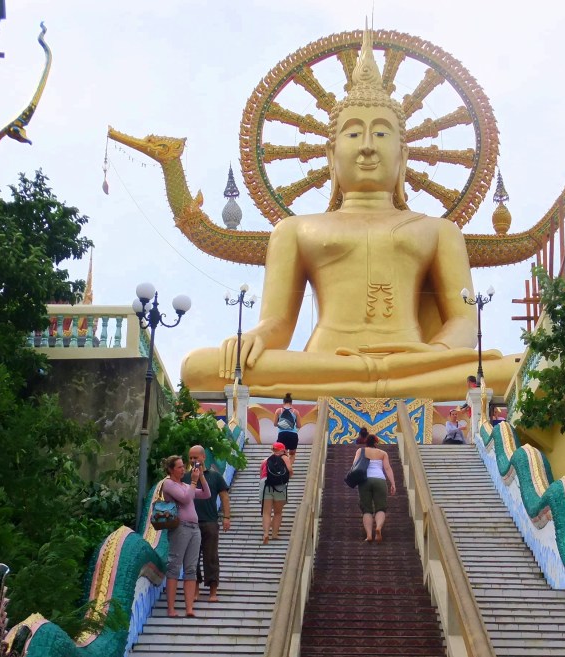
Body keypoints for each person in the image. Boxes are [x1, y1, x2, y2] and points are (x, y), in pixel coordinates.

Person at [180, 28, 518, 401]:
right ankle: (384, 383)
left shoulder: (438, 230)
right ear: (331, 155)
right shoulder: (295, 229)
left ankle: (380, 380)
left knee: (510, 369)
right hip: (326, 360)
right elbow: (277, 324)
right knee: (199, 366)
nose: (369, 148)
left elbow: (463, 321)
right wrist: (252, 339)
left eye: (383, 135)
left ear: (403, 156)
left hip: (414, 360)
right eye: (354, 135)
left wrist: (435, 353)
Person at [157, 454, 210, 618]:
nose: (183, 469)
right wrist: (194, 482)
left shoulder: (186, 485)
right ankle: (171, 608)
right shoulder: (168, 484)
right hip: (180, 527)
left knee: (191, 568)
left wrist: (200, 476)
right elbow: (186, 500)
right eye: (179, 467)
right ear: (171, 469)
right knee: (174, 566)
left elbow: (206, 494)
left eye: (183, 466)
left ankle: (189, 608)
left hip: (194, 528)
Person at [184, 444, 230, 603]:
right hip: (189, 523)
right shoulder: (185, 477)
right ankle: (195, 589)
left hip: (209, 521)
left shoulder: (215, 476)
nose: (193, 460)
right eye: (190, 457)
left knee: (210, 557)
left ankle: (213, 590)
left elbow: (224, 496)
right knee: (192, 558)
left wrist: (226, 517)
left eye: (195, 457)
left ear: (203, 457)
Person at [354, 434, 396, 543]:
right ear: (376, 443)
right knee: (380, 508)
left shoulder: (360, 451)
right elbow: (387, 468)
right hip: (380, 480)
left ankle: (369, 535)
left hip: (364, 480)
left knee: (366, 509)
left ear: (366, 442)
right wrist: (393, 484)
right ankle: (378, 528)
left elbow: (354, 465)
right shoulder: (382, 453)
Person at [260, 442, 293, 544]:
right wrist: (288, 476)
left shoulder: (265, 460)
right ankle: (274, 534)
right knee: (278, 512)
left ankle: (266, 534)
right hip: (279, 486)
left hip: (265, 484)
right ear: (283, 450)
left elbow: (261, 474)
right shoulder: (285, 458)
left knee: (266, 512)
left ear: (273, 450)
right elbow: (290, 470)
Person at [274, 393, 300, 464]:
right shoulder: (296, 412)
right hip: (293, 435)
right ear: (291, 403)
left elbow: (275, 424)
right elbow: (299, 425)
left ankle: (284, 468)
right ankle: (289, 467)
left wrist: (283, 424)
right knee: (292, 454)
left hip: (282, 434)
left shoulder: (278, 411)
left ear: (283, 402)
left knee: (282, 453)